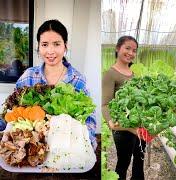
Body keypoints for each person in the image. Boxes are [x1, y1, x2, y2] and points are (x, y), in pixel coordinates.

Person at [16, 19, 97, 149]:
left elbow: (89, 120)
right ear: (38, 47)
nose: (50, 51)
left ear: (65, 46)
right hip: (32, 148)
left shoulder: (77, 79)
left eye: (56, 44)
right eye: (45, 44)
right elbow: (12, 112)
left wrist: (86, 143)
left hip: (67, 149)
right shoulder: (28, 76)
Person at [102, 36, 146, 180]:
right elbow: (105, 104)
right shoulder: (110, 74)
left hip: (140, 125)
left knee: (140, 160)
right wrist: (111, 123)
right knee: (123, 163)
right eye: (127, 48)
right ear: (117, 48)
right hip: (123, 127)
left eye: (134, 50)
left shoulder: (134, 74)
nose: (131, 53)